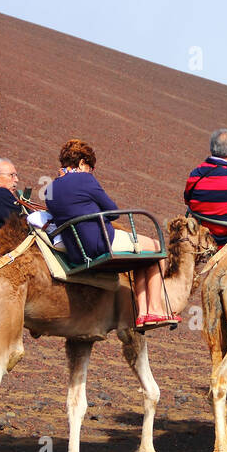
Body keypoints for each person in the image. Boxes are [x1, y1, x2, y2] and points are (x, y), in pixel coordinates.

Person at [47, 139, 174, 330]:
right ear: (82, 163)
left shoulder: (50, 189)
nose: (91, 171)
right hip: (100, 244)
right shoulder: (85, 179)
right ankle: (155, 309)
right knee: (156, 247)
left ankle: (142, 314)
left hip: (76, 253)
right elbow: (113, 211)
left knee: (142, 257)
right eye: (90, 167)